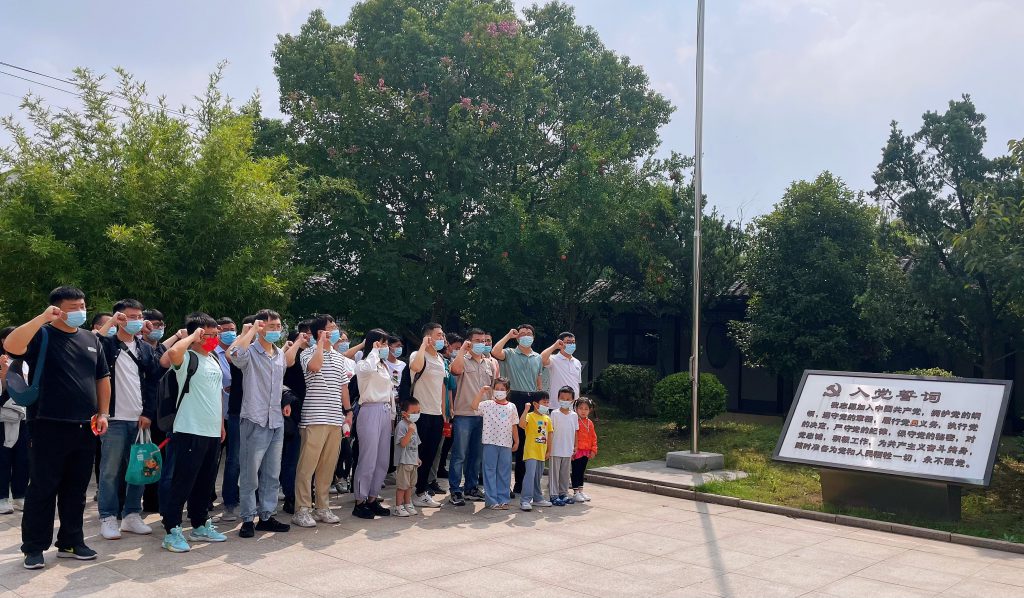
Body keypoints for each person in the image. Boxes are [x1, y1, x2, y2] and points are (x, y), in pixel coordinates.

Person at [3, 286, 111, 569]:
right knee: (43, 487)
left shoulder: (91, 339)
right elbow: (12, 346)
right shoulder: (43, 334)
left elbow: (102, 378)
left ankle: (71, 541)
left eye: (82, 306)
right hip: (47, 423)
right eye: (73, 307)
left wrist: (103, 413)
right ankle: (34, 547)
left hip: (85, 425)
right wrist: (41, 318)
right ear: (57, 309)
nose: (80, 311)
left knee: (76, 489)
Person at [158, 313, 229, 553]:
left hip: (211, 431)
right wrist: (190, 338)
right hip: (189, 429)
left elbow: (217, 394)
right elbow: (172, 354)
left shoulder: (214, 359)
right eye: (208, 334)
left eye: (216, 334)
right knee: (182, 482)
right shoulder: (188, 357)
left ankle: (200, 524)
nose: (214, 339)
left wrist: (220, 425)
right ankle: (172, 530)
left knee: (205, 482)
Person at [94, 300, 161, 540]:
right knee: (110, 471)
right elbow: (92, 342)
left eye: (139, 316)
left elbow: (153, 382)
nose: (136, 320)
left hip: (139, 419)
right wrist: (112, 322)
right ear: (119, 318)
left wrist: (148, 413)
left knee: (139, 470)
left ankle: (132, 514)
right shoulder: (107, 345)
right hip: (113, 418)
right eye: (130, 316)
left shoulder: (145, 348)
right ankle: (108, 516)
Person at [228, 310, 294, 537]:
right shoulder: (250, 351)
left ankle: (266, 515)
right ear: (261, 327)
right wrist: (251, 331)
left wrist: (285, 401)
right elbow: (234, 355)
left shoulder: (279, 354)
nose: (276, 330)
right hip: (254, 419)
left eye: (278, 326)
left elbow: (278, 383)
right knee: (250, 474)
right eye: (271, 326)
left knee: (272, 473)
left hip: (275, 420)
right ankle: (247, 518)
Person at [293, 315, 352, 528]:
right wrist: (320, 344)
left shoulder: (339, 357)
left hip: (335, 418)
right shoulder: (308, 353)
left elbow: (343, 387)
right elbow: (315, 367)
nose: (334, 331)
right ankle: (301, 509)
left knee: (327, 467)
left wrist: (348, 411)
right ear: (320, 332)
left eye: (335, 327)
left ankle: (322, 507)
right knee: (307, 466)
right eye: (330, 328)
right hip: (314, 417)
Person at [490, 324, 544, 496]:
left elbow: (539, 381)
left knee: (526, 443)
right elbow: (495, 351)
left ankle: (521, 484)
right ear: (517, 337)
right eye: (522, 334)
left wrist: (540, 402)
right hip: (514, 397)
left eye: (529, 333)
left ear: (533, 337)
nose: (526, 336)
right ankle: (503, 485)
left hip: (532, 399)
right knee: (510, 440)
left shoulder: (537, 357)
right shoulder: (510, 353)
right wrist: (508, 335)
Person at [447, 329, 495, 506]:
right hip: (464, 414)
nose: (481, 343)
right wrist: (462, 350)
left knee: (476, 454)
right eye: (477, 340)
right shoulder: (463, 360)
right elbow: (455, 370)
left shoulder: (489, 363)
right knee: (459, 454)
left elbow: (492, 388)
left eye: (483, 340)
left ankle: (471, 487)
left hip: (483, 415)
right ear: (469, 342)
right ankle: (455, 489)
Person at [352, 329, 396, 519]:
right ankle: (360, 501)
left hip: (385, 411)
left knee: (382, 459)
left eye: (385, 344)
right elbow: (366, 369)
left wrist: (392, 415)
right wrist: (374, 351)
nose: (385, 347)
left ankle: (372, 497)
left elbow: (389, 392)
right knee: (368, 458)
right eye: (381, 343)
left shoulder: (383, 366)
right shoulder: (364, 363)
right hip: (369, 410)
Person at [409, 323, 448, 508]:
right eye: (438, 335)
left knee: (430, 455)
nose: (442, 338)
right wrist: (423, 346)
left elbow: (442, 386)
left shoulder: (440, 358)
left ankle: (421, 491)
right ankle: (410, 491)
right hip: (420, 413)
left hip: (436, 414)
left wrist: (444, 412)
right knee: (417, 455)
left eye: (442, 335)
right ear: (428, 337)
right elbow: (416, 367)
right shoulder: (418, 354)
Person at [471, 378, 518, 509]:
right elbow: (474, 406)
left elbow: (514, 424)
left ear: (507, 391)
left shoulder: (512, 406)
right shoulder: (487, 404)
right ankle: (491, 500)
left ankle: (503, 499)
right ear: (493, 389)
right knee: (489, 470)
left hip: (506, 443)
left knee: (504, 472)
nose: (499, 391)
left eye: (502, 389)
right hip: (490, 442)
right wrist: (481, 392)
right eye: (497, 389)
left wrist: (516, 441)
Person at [280, 322, 312, 515]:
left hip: (311, 413)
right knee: (291, 458)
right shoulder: (293, 354)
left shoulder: (312, 355)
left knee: (305, 459)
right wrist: (297, 343)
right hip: (292, 414)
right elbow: (286, 362)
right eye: (305, 335)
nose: (308, 338)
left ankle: (304, 495)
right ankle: (290, 496)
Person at [0, 326, 29, 516]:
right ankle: (2, 497)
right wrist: (3, 375)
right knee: (3, 458)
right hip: (5, 417)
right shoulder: (2, 360)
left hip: (24, 416)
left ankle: (20, 495)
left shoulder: (26, 361)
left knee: (23, 458)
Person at [214, 316, 239, 522]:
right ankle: (205, 498)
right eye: (225, 329)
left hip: (235, 413)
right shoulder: (213, 353)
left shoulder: (239, 351)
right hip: (216, 415)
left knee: (234, 459)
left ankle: (230, 500)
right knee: (213, 461)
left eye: (233, 329)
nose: (230, 333)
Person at [518, 392, 553, 511]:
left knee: (538, 476)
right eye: (544, 402)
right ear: (535, 404)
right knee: (530, 475)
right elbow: (521, 424)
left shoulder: (547, 418)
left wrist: (549, 450)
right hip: (531, 452)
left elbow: (550, 434)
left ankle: (538, 498)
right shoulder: (530, 416)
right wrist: (526, 410)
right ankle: (525, 500)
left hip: (541, 452)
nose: (546, 405)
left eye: (547, 402)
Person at [547, 387, 578, 506]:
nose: (565, 401)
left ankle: (563, 494)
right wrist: (549, 448)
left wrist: (575, 445)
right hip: (555, 449)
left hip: (567, 449)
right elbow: (550, 431)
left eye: (568, 399)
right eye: (562, 398)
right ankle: (553, 495)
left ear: (572, 400)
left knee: (565, 474)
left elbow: (576, 431)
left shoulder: (574, 415)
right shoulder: (554, 414)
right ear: (558, 398)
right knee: (554, 474)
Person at [392, 398, 421, 517]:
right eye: (413, 412)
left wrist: (417, 458)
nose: (416, 415)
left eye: (418, 412)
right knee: (402, 486)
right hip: (403, 461)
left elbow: (416, 443)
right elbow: (403, 443)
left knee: (409, 485)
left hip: (412, 461)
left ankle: (408, 503)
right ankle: (398, 506)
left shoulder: (414, 426)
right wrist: (409, 432)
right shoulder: (402, 426)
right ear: (404, 413)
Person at [541, 332, 582, 402]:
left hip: (574, 403)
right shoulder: (553, 359)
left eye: (573, 342)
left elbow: (577, 384)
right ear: (560, 343)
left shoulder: (577, 362)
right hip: (557, 403)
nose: (571, 344)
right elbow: (541, 359)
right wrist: (554, 346)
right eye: (568, 342)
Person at [571, 397, 597, 503]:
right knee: (576, 471)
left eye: (586, 409)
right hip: (577, 451)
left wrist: (593, 450)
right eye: (581, 408)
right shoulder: (574, 421)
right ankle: (575, 492)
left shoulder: (590, 423)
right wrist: (572, 449)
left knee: (582, 471)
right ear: (576, 409)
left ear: (590, 410)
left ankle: (581, 491)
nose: (583, 411)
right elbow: (572, 435)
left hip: (586, 451)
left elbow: (593, 437)